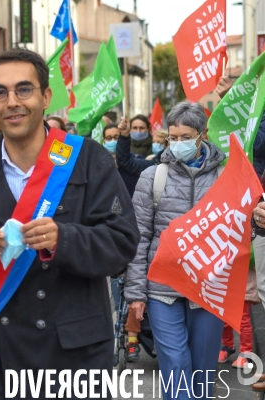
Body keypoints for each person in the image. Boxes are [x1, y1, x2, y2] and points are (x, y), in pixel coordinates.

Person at [0, 48, 140, 398]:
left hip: (75, 356)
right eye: (1, 92)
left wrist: (64, 240)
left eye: (24, 90)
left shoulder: (88, 159)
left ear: (45, 97)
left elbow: (122, 244)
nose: (12, 102)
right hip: (0, 354)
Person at [125, 101, 225, 400]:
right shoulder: (153, 177)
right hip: (162, 290)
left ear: (203, 134)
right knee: (176, 366)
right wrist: (135, 294)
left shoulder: (225, 177)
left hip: (209, 290)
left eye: (186, 137)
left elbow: (237, 234)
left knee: (203, 373)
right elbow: (139, 238)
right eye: (173, 137)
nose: (178, 143)